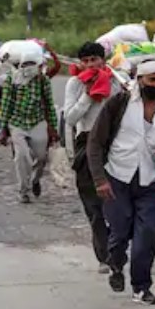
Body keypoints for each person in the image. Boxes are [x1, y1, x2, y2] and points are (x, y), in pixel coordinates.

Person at [87, 60, 155, 305]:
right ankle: (115, 264)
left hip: (151, 181)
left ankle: (141, 287)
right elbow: (95, 142)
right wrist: (99, 179)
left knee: (147, 234)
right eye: (152, 80)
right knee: (120, 230)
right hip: (117, 177)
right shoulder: (119, 104)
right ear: (141, 80)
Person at [64, 42, 121, 274]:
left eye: (94, 60)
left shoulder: (116, 81)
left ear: (102, 60)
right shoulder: (75, 84)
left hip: (114, 144)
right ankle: (104, 255)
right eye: (85, 61)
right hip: (86, 142)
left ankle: (118, 246)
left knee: (116, 200)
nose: (90, 65)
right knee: (93, 203)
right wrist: (88, 96)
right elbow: (70, 117)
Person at [0, 54, 59, 204]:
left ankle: (35, 180)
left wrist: (53, 127)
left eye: (32, 64)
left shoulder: (43, 81)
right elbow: (6, 105)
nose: (29, 68)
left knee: (42, 157)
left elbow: (49, 104)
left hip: (37, 122)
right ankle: (23, 190)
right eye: (26, 65)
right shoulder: (11, 80)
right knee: (21, 156)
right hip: (17, 123)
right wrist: (3, 129)